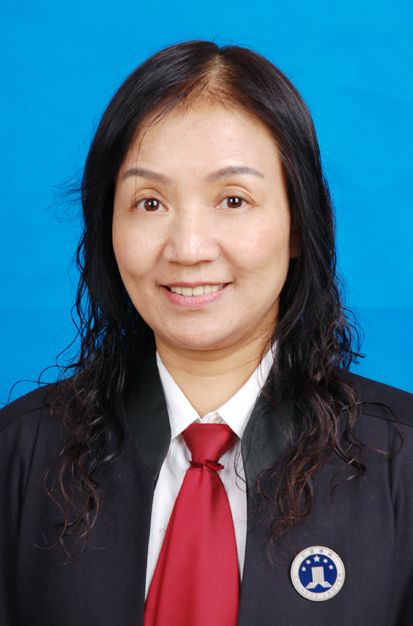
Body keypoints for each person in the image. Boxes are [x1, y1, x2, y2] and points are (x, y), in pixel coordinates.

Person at [1, 39, 412, 626]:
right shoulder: (18, 457)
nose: (189, 248)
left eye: (233, 199)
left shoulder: (402, 465)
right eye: (149, 203)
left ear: (300, 224)